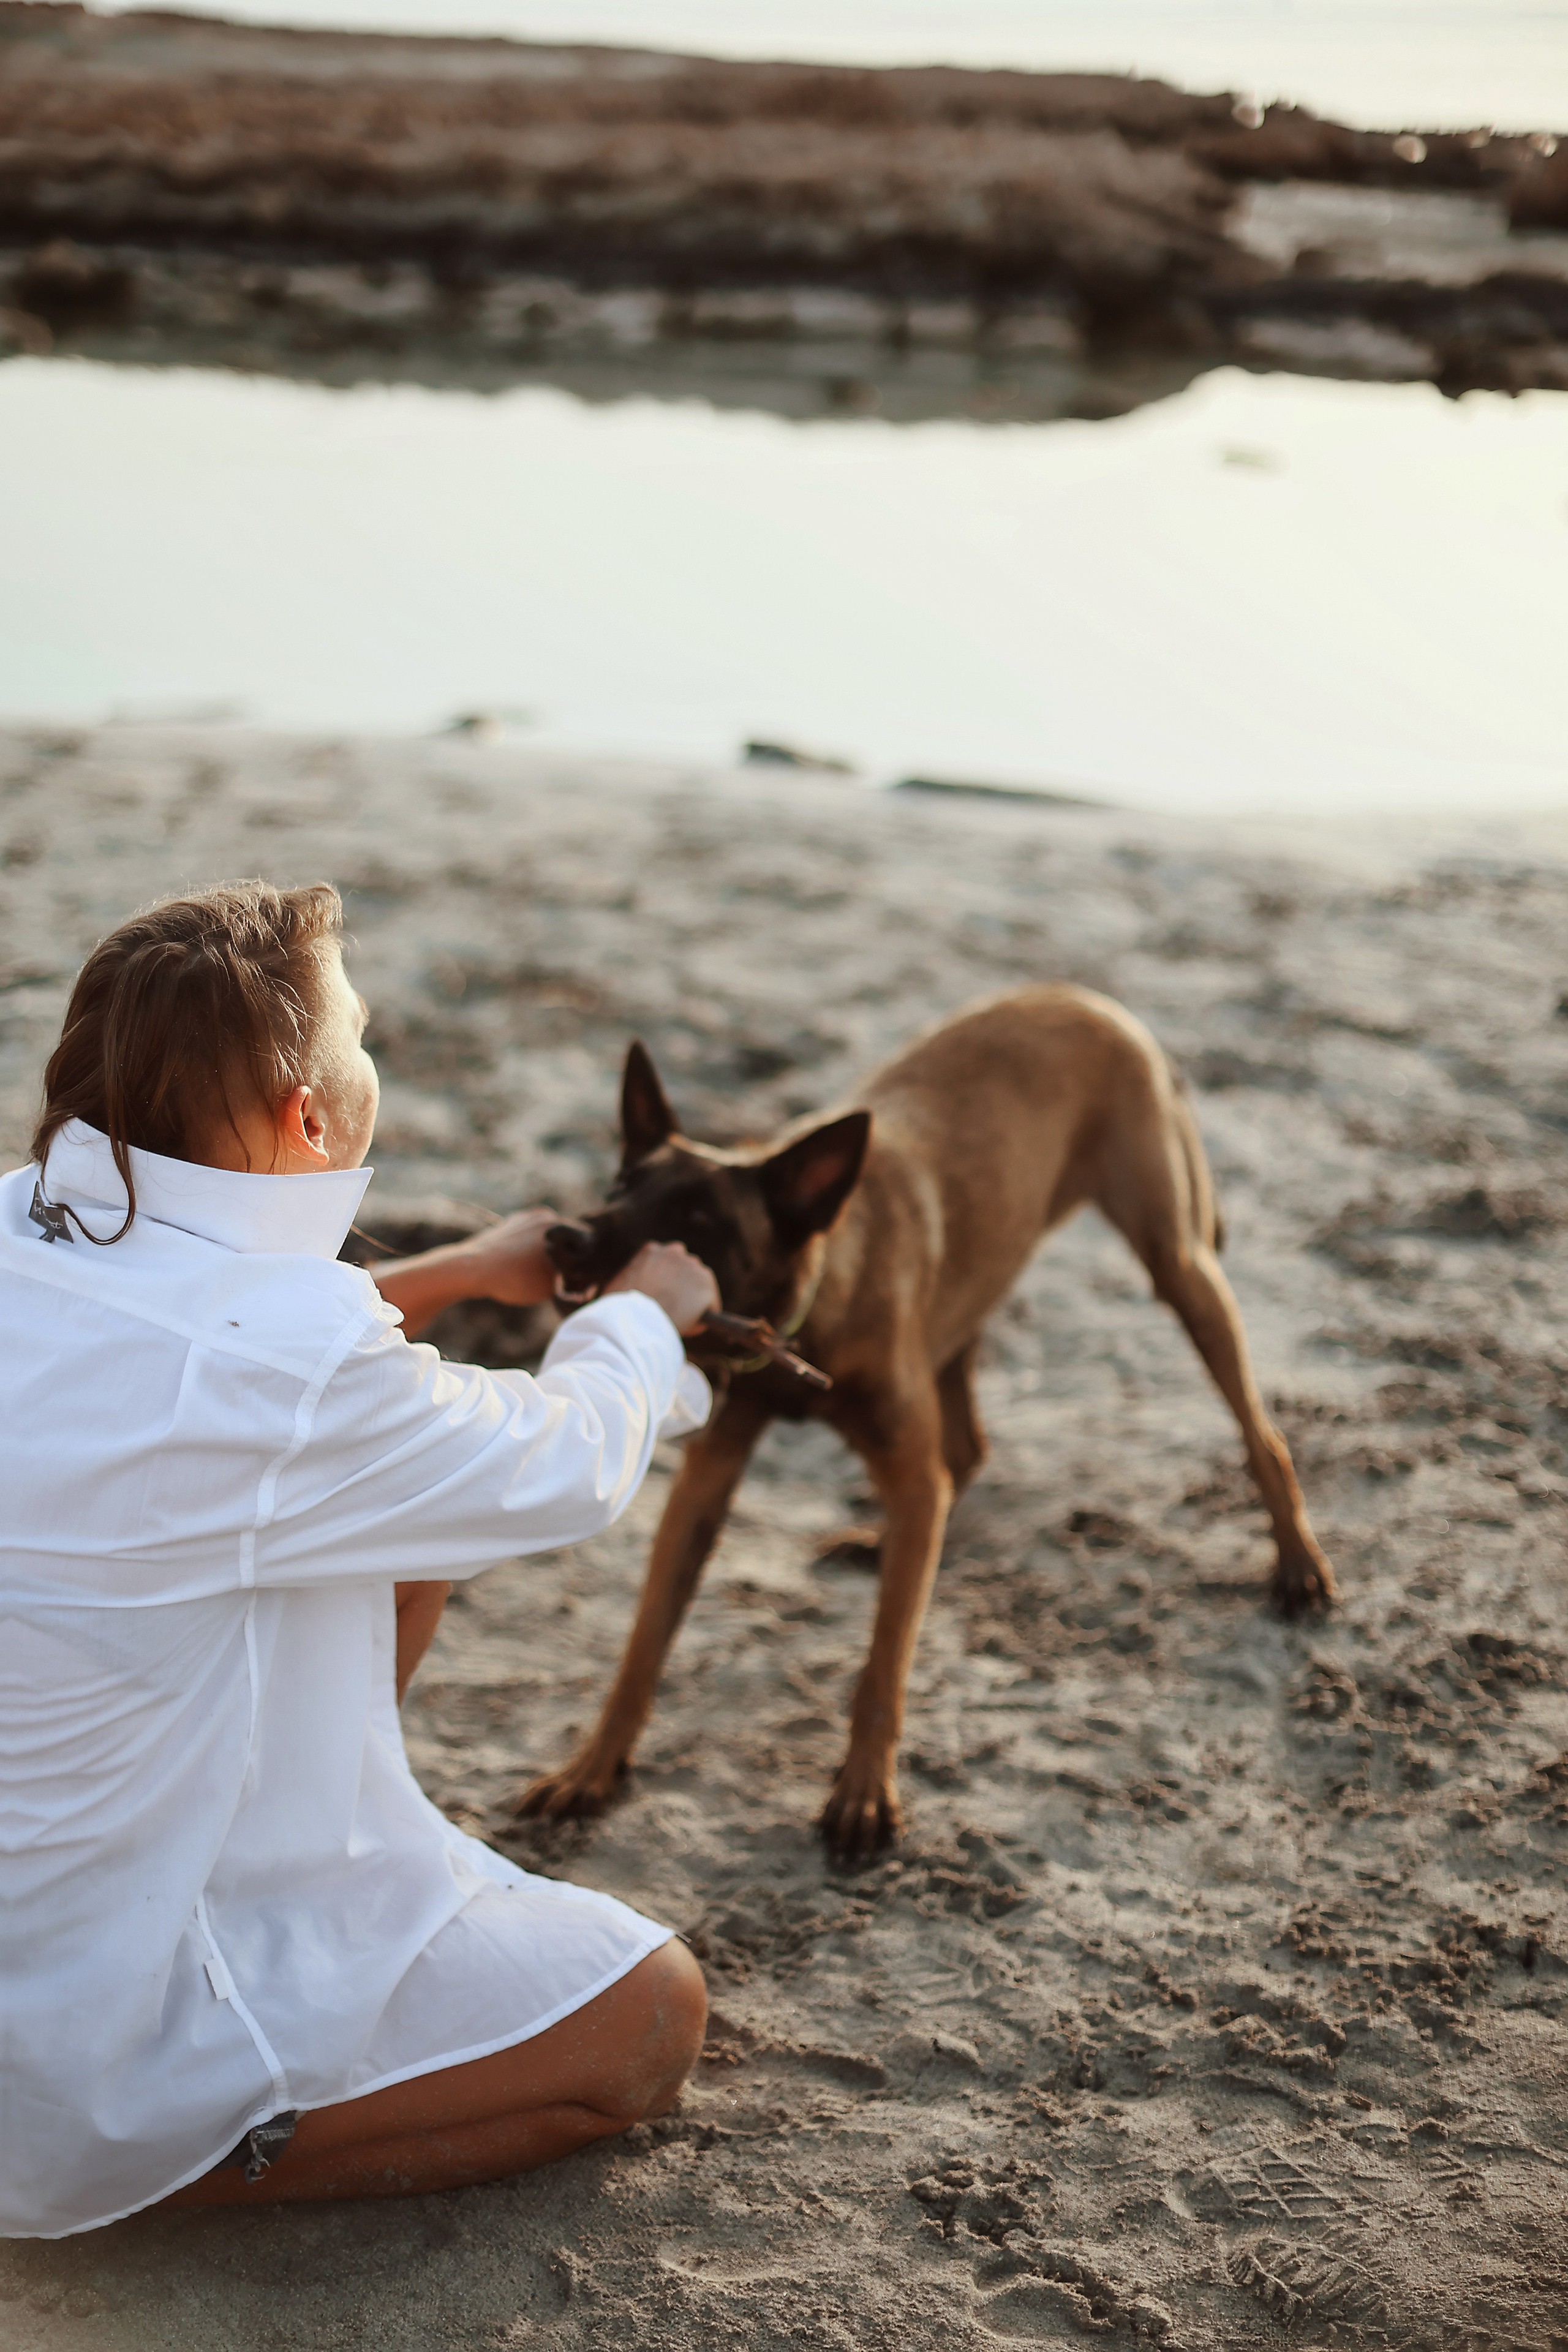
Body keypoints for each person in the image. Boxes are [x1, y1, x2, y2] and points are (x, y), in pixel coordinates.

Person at [0, 880, 721, 2239]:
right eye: (361, 1033)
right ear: (309, 1115)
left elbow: (203, 1396)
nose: (371, 1056)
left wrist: (446, 1276)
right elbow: (561, 1462)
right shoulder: (292, 1367)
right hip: (64, 2052)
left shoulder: (19, 1231)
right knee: (649, 2021)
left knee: (386, 1536)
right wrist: (642, 1324)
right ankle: (179, 2164)